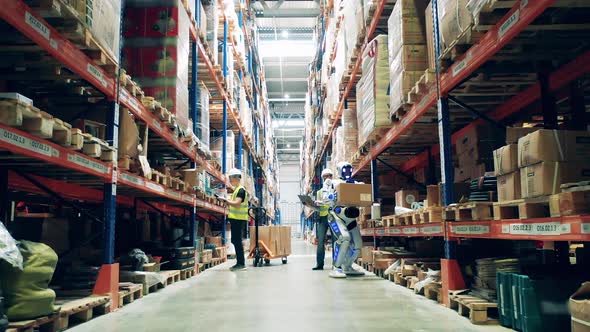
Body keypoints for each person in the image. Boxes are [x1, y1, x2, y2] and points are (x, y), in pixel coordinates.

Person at [324, 161, 365, 278]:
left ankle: (347, 265)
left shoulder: (355, 183)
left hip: (350, 217)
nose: (347, 172)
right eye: (344, 169)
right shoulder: (332, 183)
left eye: (349, 170)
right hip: (337, 216)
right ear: (339, 170)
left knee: (358, 243)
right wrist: (332, 196)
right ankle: (336, 267)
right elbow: (326, 198)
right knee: (344, 238)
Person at [218, 168, 248, 271]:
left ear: (236, 177)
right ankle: (239, 262)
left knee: (237, 241)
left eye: (231, 178)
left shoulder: (241, 190)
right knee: (235, 240)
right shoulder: (237, 190)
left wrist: (226, 201)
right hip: (236, 219)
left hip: (239, 219)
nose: (230, 180)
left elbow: (237, 203)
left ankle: (241, 264)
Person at [310, 168, 333, 270]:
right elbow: (318, 207)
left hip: (334, 217)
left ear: (332, 177)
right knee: (320, 242)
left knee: (337, 241)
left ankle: (337, 264)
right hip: (323, 218)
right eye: (325, 177)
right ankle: (319, 264)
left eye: (328, 176)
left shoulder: (336, 188)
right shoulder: (319, 192)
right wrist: (314, 204)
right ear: (322, 178)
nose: (327, 178)